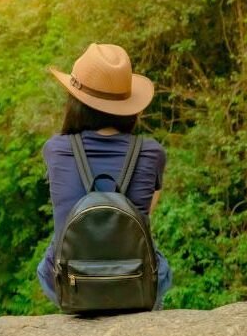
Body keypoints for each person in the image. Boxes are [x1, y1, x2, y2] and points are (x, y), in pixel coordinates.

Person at [36, 43, 172, 310]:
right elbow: (144, 211)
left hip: (70, 280)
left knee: (46, 265)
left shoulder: (55, 150)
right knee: (161, 264)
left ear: (75, 102)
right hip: (135, 279)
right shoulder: (152, 152)